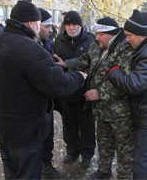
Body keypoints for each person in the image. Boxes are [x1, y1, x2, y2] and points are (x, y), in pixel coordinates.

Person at [0, 0, 86, 179]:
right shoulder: (31, 49)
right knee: (28, 173)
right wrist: (79, 76)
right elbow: (57, 85)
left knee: (12, 171)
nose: (42, 28)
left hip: (2, 126)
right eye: (39, 24)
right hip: (26, 129)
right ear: (31, 23)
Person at [54, 17, 135, 179]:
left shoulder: (126, 49)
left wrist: (100, 93)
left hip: (120, 112)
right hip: (102, 109)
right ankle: (103, 172)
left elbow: (126, 80)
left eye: (100, 34)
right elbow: (85, 59)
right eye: (96, 33)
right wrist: (66, 64)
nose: (96, 37)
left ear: (111, 34)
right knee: (104, 143)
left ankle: (124, 177)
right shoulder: (98, 45)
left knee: (124, 148)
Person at [108, 9, 147, 179]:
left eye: (130, 35)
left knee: (141, 160)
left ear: (141, 34)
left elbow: (134, 85)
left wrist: (114, 72)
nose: (127, 40)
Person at [53, 10, 96, 168]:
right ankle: (72, 151)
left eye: (74, 25)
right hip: (66, 91)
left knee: (86, 125)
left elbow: (94, 62)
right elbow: (55, 61)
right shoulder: (59, 40)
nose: (71, 28)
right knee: (69, 124)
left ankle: (87, 154)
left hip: (85, 91)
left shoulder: (91, 40)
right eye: (68, 25)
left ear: (81, 26)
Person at [37, 7, 64, 179]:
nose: (50, 30)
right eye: (47, 26)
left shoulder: (45, 44)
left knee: (47, 137)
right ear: (35, 24)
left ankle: (46, 165)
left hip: (46, 103)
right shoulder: (32, 48)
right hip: (34, 106)